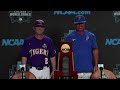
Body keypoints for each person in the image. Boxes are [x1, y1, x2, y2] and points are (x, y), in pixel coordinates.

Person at [65, 15, 99, 79]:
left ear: (84, 23)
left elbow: (95, 50)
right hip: (74, 71)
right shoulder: (69, 37)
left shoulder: (91, 36)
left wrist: (96, 65)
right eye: (78, 23)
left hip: (88, 70)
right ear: (74, 24)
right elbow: (66, 53)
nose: (80, 25)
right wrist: (67, 69)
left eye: (81, 23)